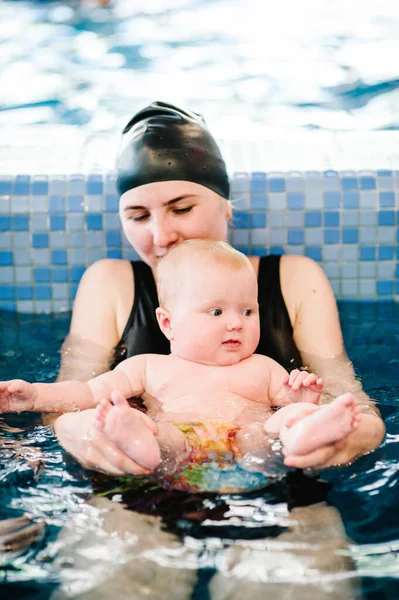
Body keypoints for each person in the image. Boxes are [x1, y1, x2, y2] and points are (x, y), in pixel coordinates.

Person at [50, 101, 384, 475]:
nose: (162, 236)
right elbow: (66, 402)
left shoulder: (294, 279)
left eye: (181, 209)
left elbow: (344, 393)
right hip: (139, 479)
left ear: (226, 206)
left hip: (279, 467)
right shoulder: (109, 283)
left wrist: (360, 432)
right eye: (139, 216)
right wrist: (80, 432)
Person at [1, 241, 362, 492]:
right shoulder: (146, 367)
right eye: (217, 312)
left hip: (251, 444)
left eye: (247, 311)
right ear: (168, 323)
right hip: (180, 443)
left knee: (282, 422)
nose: (236, 323)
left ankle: (307, 437)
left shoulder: (263, 366)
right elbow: (84, 393)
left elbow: (288, 399)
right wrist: (32, 395)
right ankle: (135, 438)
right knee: (158, 432)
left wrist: (303, 397)